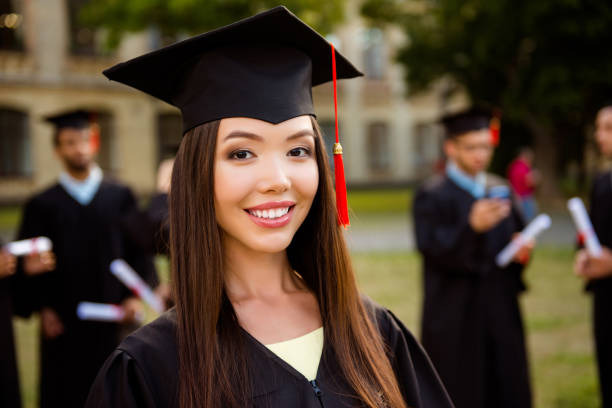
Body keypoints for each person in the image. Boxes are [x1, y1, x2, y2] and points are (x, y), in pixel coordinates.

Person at [86, 6, 454, 408]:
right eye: (242, 153)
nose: (278, 178)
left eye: (298, 150)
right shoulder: (150, 367)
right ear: (195, 175)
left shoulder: (375, 330)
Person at [16, 109, 158, 408]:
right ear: (57, 150)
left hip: (114, 316)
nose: (78, 148)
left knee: (118, 389)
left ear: (94, 143)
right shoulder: (41, 204)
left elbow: (140, 250)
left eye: (83, 140)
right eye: (69, 142)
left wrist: (135, 295)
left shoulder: (120, 196)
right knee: (66, 392)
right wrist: (43, 307)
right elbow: (31, 263)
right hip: (64, 322)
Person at [413, 108, 533, 408]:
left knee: (506, 383)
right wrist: (471, 228)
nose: (480, 155)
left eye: (485, 147)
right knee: (460, 389)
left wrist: (522, 251)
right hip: (455, 313)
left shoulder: (500, 189)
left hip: (500, 307)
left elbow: (515, 237)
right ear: (450, 147)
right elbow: (431, 249)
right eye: (471, 147)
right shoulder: (432, 194)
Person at [574, 103, 612, 408]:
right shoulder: (602, 183)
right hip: (606, 299)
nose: (600, 136)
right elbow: (592, 234)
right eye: (599, 128)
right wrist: (584, 256)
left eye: (609, 128)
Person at [507, 147, 540, 221]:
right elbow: (529, 182)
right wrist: (536, 177)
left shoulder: (513, 165)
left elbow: (510, 182)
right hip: (525, 197)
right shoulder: (524, 167)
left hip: (515, 196)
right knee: (527, 221)